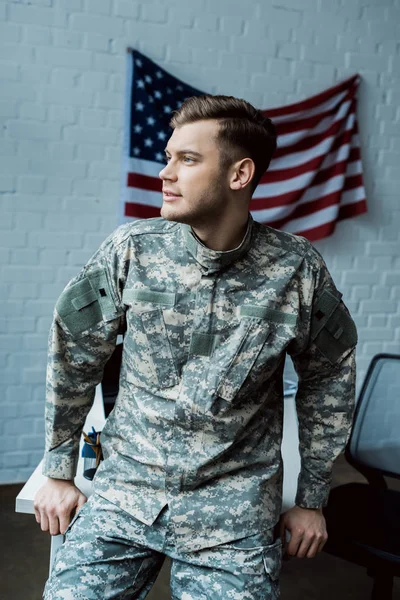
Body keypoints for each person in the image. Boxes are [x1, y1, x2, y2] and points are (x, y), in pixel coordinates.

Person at [35, 94, 357, 599]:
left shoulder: (297, 268)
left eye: (187, 159)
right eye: (168, 157)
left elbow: (329, 378)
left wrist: (312, 498)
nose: (166, 173)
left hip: (233, 515)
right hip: (126, 495)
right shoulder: (133, 249)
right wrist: (59, 470)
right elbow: (73, 354)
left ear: (239, 174)